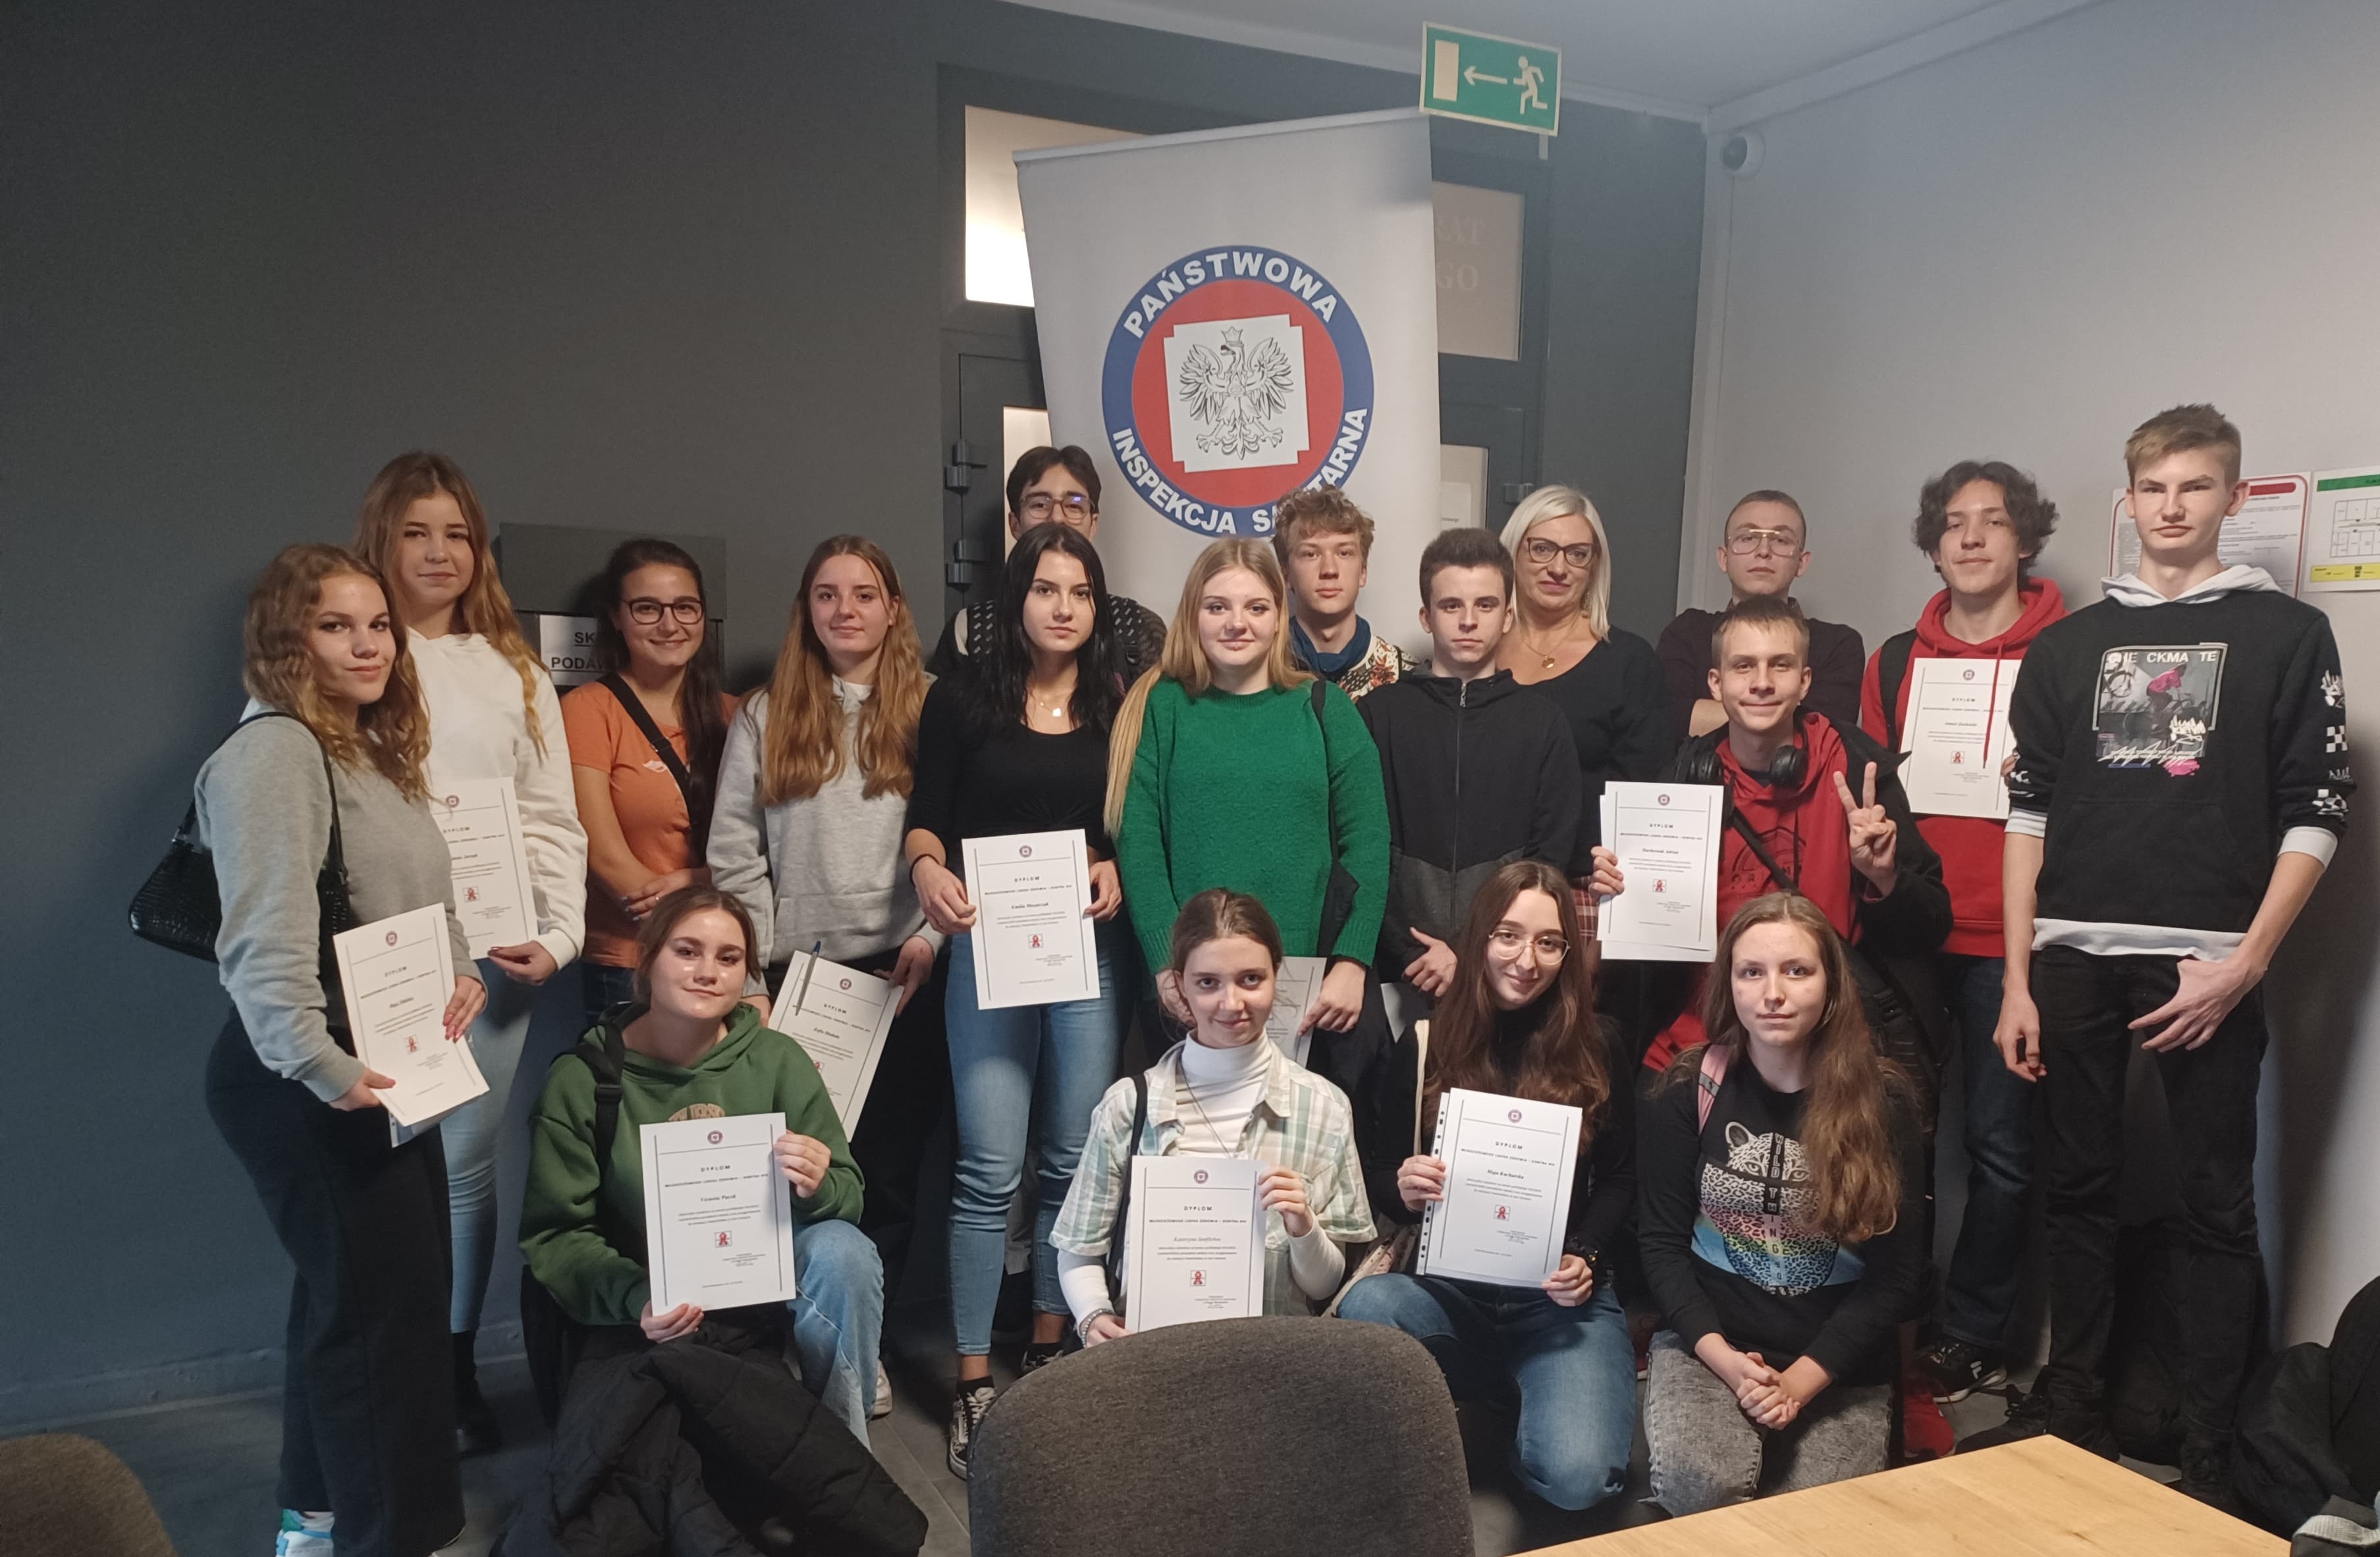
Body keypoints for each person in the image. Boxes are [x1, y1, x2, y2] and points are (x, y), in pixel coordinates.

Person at [1962, 406, 2352, 1512]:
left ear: (2231, 497)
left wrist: (2245, 964)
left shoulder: (2286, 637)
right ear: (2126, 502)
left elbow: (2315, 812)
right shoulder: (2066, 647)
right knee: (2075, 1188)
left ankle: (2210, 1442)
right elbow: (2026, 817)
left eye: (2193, 486)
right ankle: (2073, 1401)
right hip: (2069, 961)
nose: (2170, 507)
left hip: (2205, 968)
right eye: (2152, 488)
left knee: (2214, 1205)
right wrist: (2017, 982)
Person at [199, 543, 485, 1557]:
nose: (367, 646)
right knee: (383, 1324)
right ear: (289, 640)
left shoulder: (367, 747)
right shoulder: (275, 752)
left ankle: (312, 1523)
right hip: (309, 1075)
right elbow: (260, 943)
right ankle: (389, 1539)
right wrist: (323, 1068)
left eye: (377, 626)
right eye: (335, 626)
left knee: (358, 1306)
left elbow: (420, 894)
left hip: (381, 1064)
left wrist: (460, 966)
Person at [352, 450, 589, 1457]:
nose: (438, 551)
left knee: (461, 1164)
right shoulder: (349, 653)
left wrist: (560, 934)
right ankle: (390, 1370)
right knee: (380, 1166)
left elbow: (552, 820)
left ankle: (451, 1371)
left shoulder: (513, 669)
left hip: (492, 960)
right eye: (416, 532)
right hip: (377, 952)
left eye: (456, 533)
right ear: (381, 540)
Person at [902, 523, 1134, 1477]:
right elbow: (927, 814)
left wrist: (1114, 863)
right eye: (1045, 589)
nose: (1062, 607)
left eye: (1079, 592)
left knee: (1073, 1160)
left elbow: (1132, 820)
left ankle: (1047, 1346)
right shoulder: (962, 699)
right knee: (988, 1168)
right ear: (1015, 599)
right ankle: (972, 1378)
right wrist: (926, 871)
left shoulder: (1120, 702)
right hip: (987, 952)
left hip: (1087, 953)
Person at [707, 535, 940, 1417]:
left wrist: (931, 936)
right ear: (805, 609)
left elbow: (961, 832)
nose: (846, 610)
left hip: (903, 975)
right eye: (827, 594)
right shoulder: (767, 714)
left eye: (864, 593)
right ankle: (796, 1336)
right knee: (797, 1170)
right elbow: (734, 852)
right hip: (794, 981)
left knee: (889, 1173)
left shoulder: (933, 708)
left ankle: (861, 1347)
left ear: (893, 608)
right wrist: (753, 979)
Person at [518, 886, 883, 1442]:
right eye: (687, 951)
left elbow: (848, 1194)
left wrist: (818, 1184)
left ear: (746, 975)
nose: (708, 971)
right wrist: (636, 1295)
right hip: (649, 1295)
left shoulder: (779, 1059)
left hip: (757, 1274)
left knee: (844, 1252)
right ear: (648, 960)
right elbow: (556, 1234)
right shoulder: (582, 1079)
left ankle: (843, 1450)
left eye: (728, 958)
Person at [1858, 461, 2066, 1404]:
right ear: (1933, 544)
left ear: (2024, 538)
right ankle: (1876, 1308)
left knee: (2001, 1148)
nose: (1971, 538)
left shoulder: (2068, 650)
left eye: (1992, 521)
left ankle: (1974, 1331)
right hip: (1902, 928)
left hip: (2010, 942)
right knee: (1879, 1126)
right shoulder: (1896, 659)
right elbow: (1867, 787)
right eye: (1953, 523)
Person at [1339, 860, 1636, 1514]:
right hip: (1453, 1298)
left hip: (1560, 1304)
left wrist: (1586, 1254)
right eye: (1508, 935)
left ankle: (1524, 1412)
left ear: (1567, 953)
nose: (1526, 960)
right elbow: (1380, 1178)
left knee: (1578, 1478)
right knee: (1370, 1304)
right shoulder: (1425, 1043)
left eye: (1549, 942)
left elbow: (1621, 1176)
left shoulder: (1598, 1043)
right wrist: (1403, 1185)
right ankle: (1504, 1388)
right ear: (1479, 938)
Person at [1638, 893, 1926, 1515]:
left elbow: (1898, 1277)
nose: (1773, 993)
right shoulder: (1690, 1088)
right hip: (1712, 1343)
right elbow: (1660, 1245)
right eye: (1752, 972)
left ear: (1831, 985)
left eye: (1797, 970)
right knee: (1700, 1488)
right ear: (1729, 985)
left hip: (1835, 1359)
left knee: (1814, 1520)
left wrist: (1799, 1381)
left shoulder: (1885, 1101)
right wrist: (1724, 1359)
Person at [1594, 594, 1951, 1079]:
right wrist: (1623, 895)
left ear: (1804, 681)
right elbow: (1651, 958)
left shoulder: (1859, 775)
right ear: (1716, 683)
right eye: (1743, 666)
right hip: (1704, 1042)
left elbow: (1930, 925)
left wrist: (1884, 879)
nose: (1761, 682)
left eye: (1780, 665)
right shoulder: (1682, 783)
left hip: (1827, 1049)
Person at [1109, 537, 1393, 1108]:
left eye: (1256, 607)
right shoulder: (1162, 706)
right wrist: (1166, 964)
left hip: (1306, 990)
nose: (1237, 623)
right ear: (1193, 613)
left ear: (1280, 615)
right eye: (1217, 606)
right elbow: (1139, 843)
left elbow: (1368, 842)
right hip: (1189, 988)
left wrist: (1352, 962)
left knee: (1293, 1150)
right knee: (1195, 1152)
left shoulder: (1324, 708)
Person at [1052, 888, 1376, 1340]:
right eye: (1208, 982)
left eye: (1251, 979)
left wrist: (1303, 1224)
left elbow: (1323, 1286)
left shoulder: (1324, 1108)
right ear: (1179, 984)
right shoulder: (1128, 1105)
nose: (1231, 1003)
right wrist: (1092, 1316)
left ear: (1276, 975)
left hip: (1269, 1357)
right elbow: (1080, 1246)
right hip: (1150, 1354)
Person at [1361, 525, 1579, 1003]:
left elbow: (1547, 859)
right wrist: (1411, 952)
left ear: (1508, 616)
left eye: (1485, 605)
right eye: (1450, 606)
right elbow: (1363, 849)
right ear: (1426, 616)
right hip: (1399, 970)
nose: (1467, 621)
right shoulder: (1380, 715)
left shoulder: (1543, 723)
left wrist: (1474, 950)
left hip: (1504, 971)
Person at [562, 539, 735, 1024]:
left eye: (685, 607)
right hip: (630, 961)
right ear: (616, 617)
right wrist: (697, 916)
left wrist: (696, 882)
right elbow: (604, 856)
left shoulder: (737, 715)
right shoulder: (589, 711)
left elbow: (759, 850)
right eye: (647, 608)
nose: (669, 624)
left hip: (723, 962)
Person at [1493, 485, 1667, 856]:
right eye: (1542, 549)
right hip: (1484, 871)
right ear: (1512, 553)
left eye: (1577, 554)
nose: (1559, 569)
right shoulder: (1478, 651)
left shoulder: (1629, 662)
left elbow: (1642, 796)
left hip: (1588, 874)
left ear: (1594, 566)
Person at [926, 444, 1166, 685]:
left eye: (1074, 505)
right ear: (1014, 523)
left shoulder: (1138, 626)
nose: (1057, 518)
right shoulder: (970, 630)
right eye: (1040, 505)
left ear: (1093, 524)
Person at [1658, 490, 1865, 747]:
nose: (1764, 551)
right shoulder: (1687, 632)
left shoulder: (1838, 644)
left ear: (1801, 562)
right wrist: (1785, 716)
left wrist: (1708, 715)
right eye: (1748, 538)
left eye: (1781, 540)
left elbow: (1825, 736)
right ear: (1724, 558)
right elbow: (1670, 720)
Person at [1273, 484, 1413, 700]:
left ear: (1363, 572)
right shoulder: (1260, 670)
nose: (1329, 570)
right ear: (1286, 574)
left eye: (1344, 553)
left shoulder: (1406, 676)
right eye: (1311, 554)